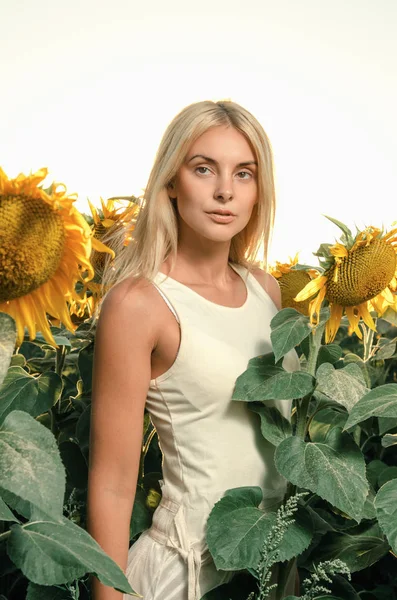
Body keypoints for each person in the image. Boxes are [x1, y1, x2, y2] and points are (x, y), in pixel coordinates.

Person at [87, 100, 299, 600]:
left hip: (271, 567)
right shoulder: (139, 303)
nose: (225, 190)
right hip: (184, 576)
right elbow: (113, 485)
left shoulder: (267, 291)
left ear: (257, 191)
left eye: (243, 173)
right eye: (204, 169)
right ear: (170, 183)